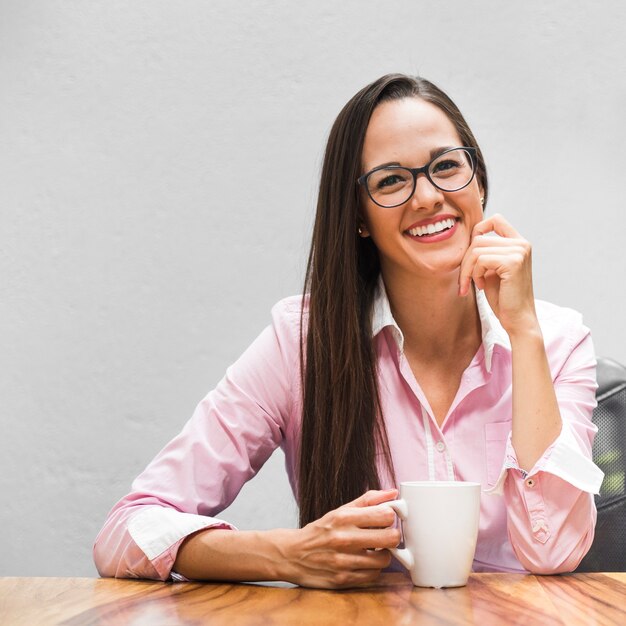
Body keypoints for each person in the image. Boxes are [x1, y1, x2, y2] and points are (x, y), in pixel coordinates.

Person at [93, 73, 604, 588]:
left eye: (447, 166)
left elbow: (553, 551)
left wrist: (524, 333)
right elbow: (127, 531)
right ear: (358, 217)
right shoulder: (302, 342)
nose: (427, 197)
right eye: (390, 181)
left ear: (479, 182)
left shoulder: (557, 341)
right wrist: (286, 554)